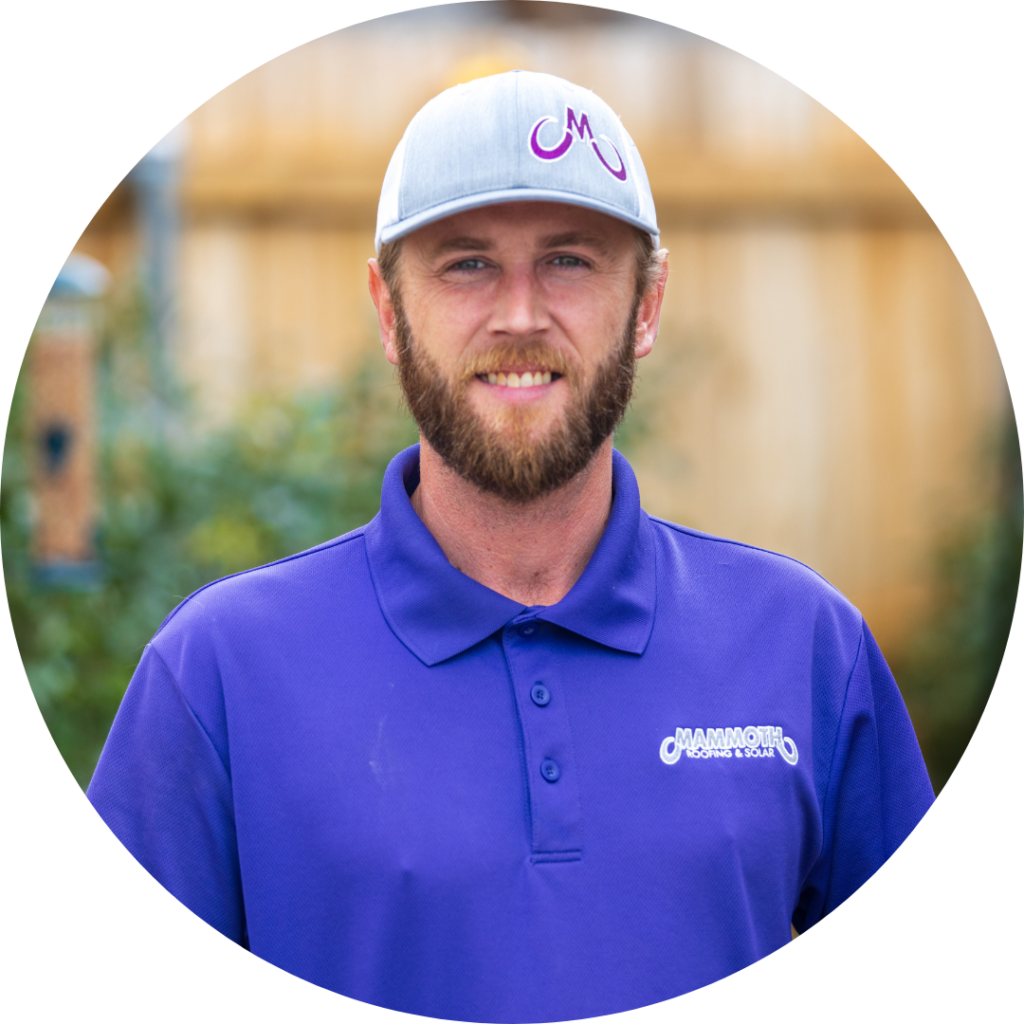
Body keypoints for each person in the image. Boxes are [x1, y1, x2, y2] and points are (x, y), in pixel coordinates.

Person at [86, 71, 935, 1020]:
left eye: (570, 260)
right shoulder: (218, 675)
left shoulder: (806, 646)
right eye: (466, 264)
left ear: (646, 305)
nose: (520, 315)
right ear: (388, 310)